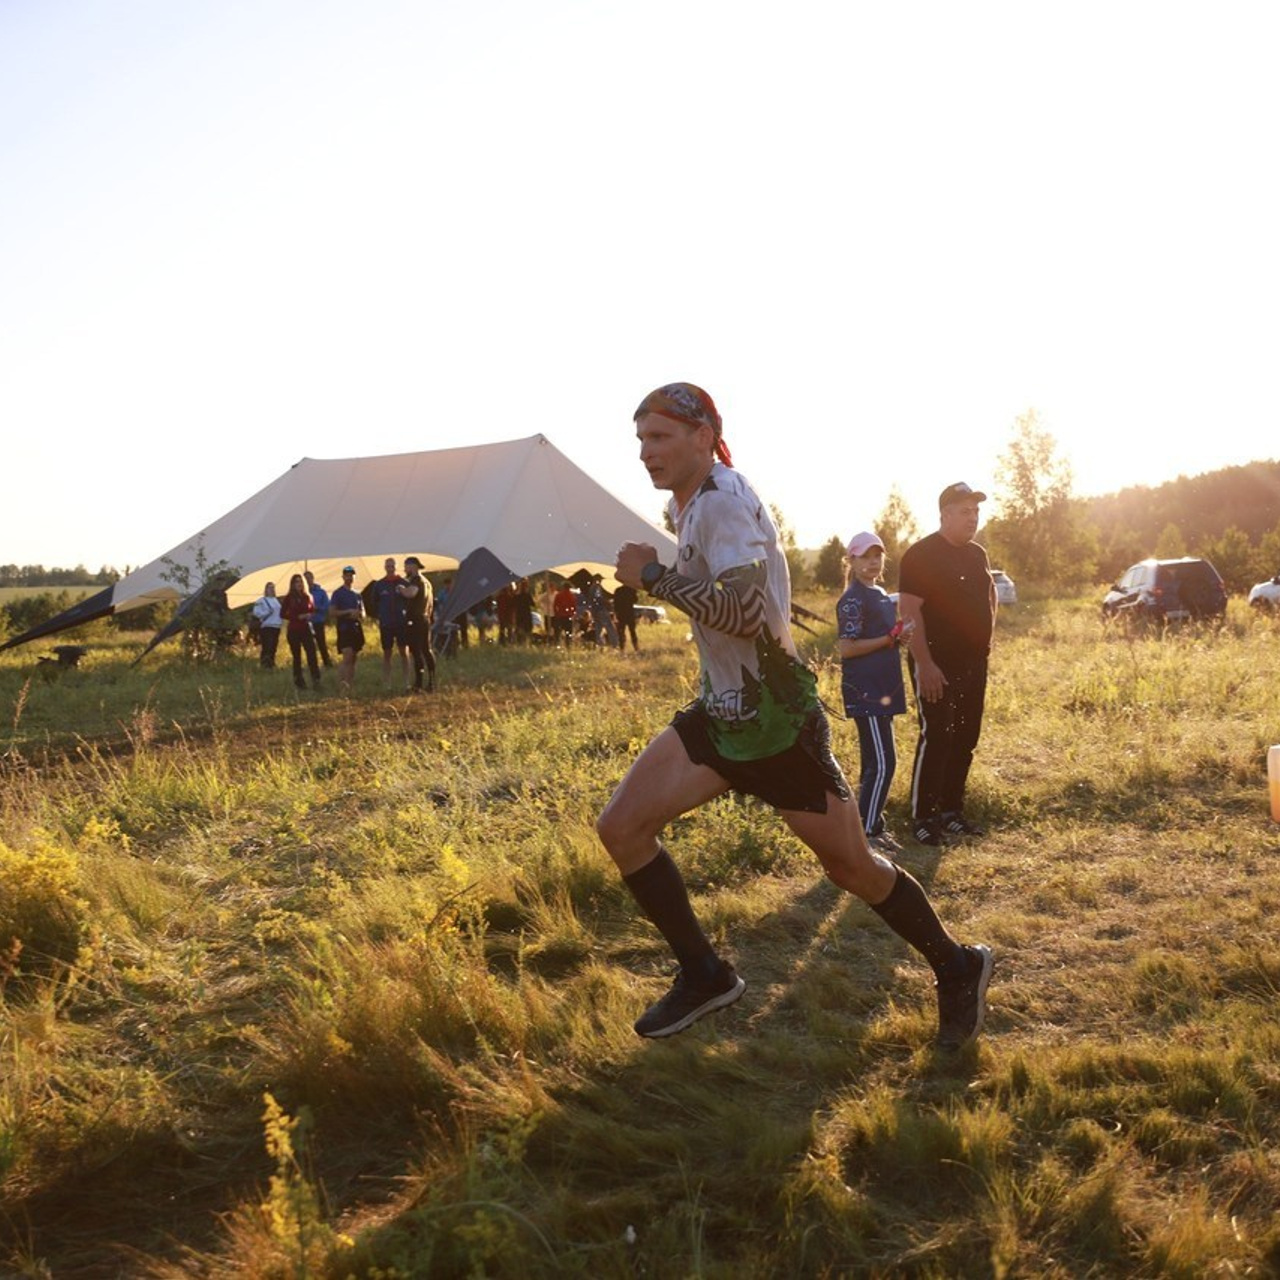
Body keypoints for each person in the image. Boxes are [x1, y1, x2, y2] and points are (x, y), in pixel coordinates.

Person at [599, 382, 992, 1052]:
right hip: (723, 715)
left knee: (854, 869)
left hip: (778, 729)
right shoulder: (689, 501)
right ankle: (704, 973)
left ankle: (958, 967)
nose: (646, 452)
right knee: (622, 827)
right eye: (640, 440)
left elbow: (748, 613)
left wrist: (655, 579)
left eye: (660, 437)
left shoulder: (721, 503)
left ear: (702, 436)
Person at [897, 482, 998, 847]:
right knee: (937, 736)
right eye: (964, 511)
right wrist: (924, 664)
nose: (972, 518)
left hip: (974, 662)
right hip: (936, 664)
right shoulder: (921, 555)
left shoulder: (977, 555)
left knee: (965, 737)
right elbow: (909, 613)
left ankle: (951, 812)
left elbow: (990, 594)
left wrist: (987, 640)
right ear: (945, 514)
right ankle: (923, 817)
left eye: (975, 511)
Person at [836, 532, 914, 855]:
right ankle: (866, 835)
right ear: (851, 561)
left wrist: (898, 638)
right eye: (865, 556)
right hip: (866, 692)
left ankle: (872, 826)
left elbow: (885, 638)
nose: (872, 562)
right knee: (884, 763)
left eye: (877, 555)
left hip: (883, 689)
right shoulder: (853, 598)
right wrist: (886, 640)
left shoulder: (880, 593)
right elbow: (847, 647)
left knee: (874, 762)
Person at [370, 557, 409, 687]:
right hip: (386, 624)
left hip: (401, 623)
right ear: (385, 567)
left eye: (392, 566)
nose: (390, 568)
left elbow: (410, 601)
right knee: (387, 653)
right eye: (388, 566)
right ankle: (387, 682)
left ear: (395, 567)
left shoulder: (403, 582)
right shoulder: (379, 585)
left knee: (404, 651)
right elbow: (373, 603)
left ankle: (406, 681)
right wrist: (380, 616)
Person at [400, 556, 436, 692]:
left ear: (413, 566)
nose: (405, 569)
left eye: (406, 566)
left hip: (415, 620)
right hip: (425, 618)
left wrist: (401, 589)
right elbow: (431, 604)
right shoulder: (427, 582)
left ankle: (419, 684)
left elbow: (411, 593)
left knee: (416, 651)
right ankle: (431, 682)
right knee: (426, 650)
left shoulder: (417, 580)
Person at [280, 573, 322, 689]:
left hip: (306, 628)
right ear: (293, 584)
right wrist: (296, 617)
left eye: (300, 582)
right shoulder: (289, 598)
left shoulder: (308, 596)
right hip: (294, 629)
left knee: (312, 654)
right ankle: (299, 681)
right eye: (296, 582)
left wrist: (310, 615)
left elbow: (313, 610)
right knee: (297, 656)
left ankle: (316, 680)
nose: (299, 584)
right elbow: (282, 614)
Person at [329, 565, 365, 692]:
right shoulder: (338, 593)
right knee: (347, 657)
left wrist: (359, 614)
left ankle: (349, 685)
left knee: (354, 658)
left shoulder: (357, 594)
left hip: (356, 628)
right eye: (347, 575)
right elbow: (332, 612)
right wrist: (348, 612)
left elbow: (363, 612)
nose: (349, 577)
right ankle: (341, 685)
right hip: (344, 628)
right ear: (343, 576)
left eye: (351, 575)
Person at [304, 570, 333, 668]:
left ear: (312, 578)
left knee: (321, 643)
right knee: (309, 646)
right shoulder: (301, 593)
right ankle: (312, 665)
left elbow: (326, 607)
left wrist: (317, 608)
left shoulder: (321, 592)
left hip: (318, 621)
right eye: (305, 579)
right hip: (305, 623)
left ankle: (327, 663)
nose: (307, 580)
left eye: (309, 578)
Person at [252, 582, 282, 669]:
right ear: (266, 589)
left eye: (273, 587)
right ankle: (264, 664)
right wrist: (266, 613)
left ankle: (271, 663)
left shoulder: (276, 601)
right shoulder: (261, 600)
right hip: (267, 626)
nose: (271, 589)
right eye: (269, 587)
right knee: (267, 646)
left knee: (273, 646)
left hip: (276, 626)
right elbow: (256, 613)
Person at [584, 574, 619, 648]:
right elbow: (599, 599)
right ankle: (615, 644)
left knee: (598, 628)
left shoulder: (592, 588)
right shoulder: (597, 588)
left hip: (595, 611)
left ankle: (600, 644)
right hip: (601, 610)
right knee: (609, 627)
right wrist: (607, 602)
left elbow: (592, 601)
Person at [613, 580, 640, 650]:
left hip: (621, 614)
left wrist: (616, 613)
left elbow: (615, 604)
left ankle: (622, 647)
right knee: (632, 631)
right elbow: (635, 600)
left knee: (621, 631)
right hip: (629, 613)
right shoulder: (631, 590)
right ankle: (636, 647)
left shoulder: (618, 590)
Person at [552, 580, 578, 646]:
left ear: (563, 587)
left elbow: (555, 605)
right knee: (568, 633)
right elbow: (574, 607)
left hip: (560, 616)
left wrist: (556, 614)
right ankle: (568, 646)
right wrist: (573, 614)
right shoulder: (572, 596)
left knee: (557, 633)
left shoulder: (559, 595)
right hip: (568, 616)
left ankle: (557, 645)